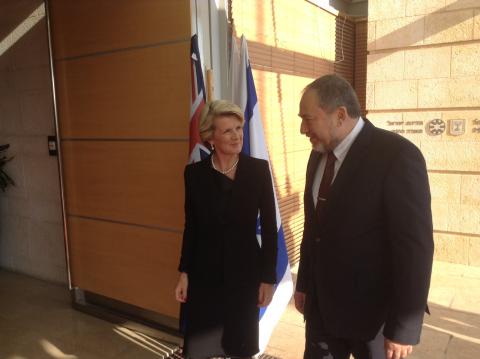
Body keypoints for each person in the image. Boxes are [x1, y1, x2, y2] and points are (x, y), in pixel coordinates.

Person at [295, 74, 434, 359]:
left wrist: (403, 327)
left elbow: (414, 249)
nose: (302, 129)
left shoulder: (397, 156)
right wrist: (305, 285)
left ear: (340, 115)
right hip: (321, 312)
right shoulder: (318, 154)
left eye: (308, 119)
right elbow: (314, 229)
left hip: (372, 321)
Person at [175, 100, 278, 359]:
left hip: (244, 276)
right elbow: (192, 227)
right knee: (200, 348)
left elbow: (268, 228)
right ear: (210, 137)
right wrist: (184, 272)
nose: (237, 135)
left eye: (239, 128)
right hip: (204, 276)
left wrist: (268, 277)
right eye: (228, 130)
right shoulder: (194, 174)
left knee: (239, 346)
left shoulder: (258, 171)